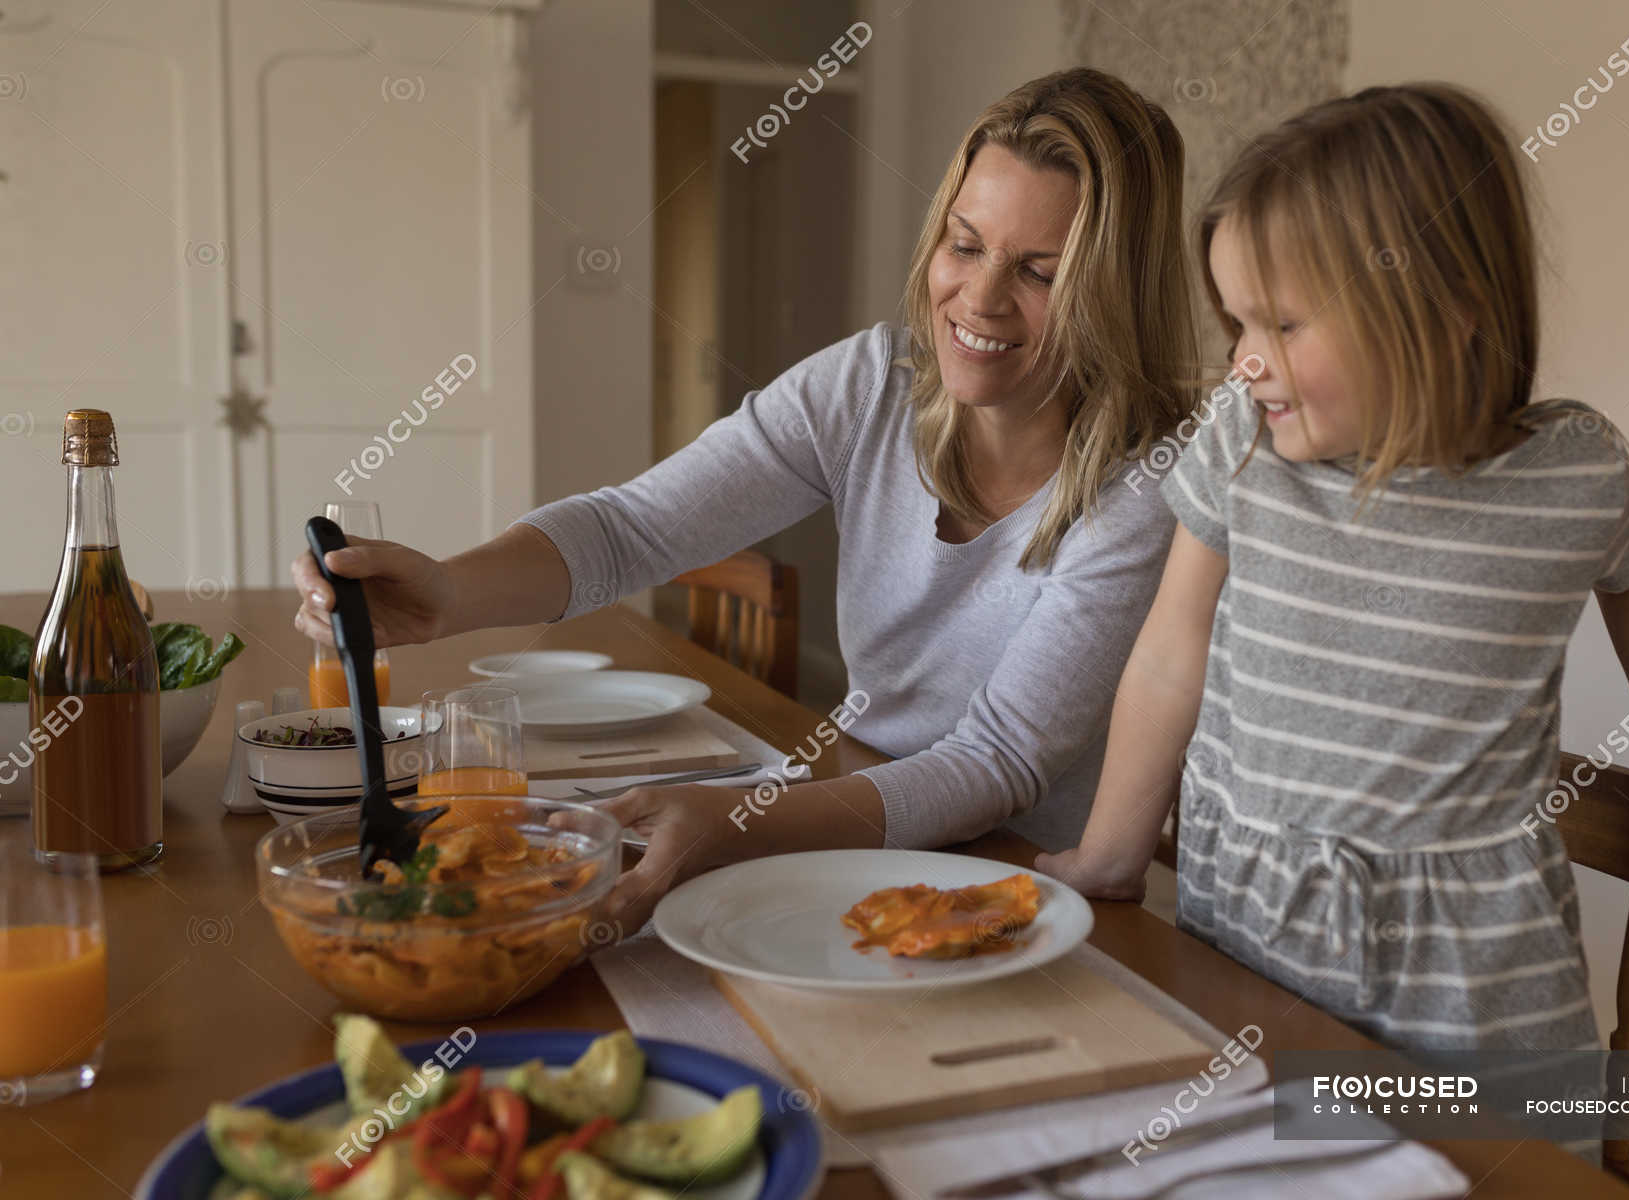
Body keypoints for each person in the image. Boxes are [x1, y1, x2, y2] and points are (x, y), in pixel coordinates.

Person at [293, 68, 1199, 934]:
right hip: (858, 833)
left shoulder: (1149, 487)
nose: (981, 297)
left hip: (1025, 889)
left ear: (1112, 291)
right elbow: (632, 528)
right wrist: (447, 594)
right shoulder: (872, 384)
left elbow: (997, 762)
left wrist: (736, 822)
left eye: (1039, 273)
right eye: (964, 245)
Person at [1035, 82, 1629, 1053]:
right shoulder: (1241, 447)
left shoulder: (1571, 477)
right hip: (1254, 948)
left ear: (1448, 314)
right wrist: (1113, 853)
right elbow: (1168, 656)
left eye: (1281, 325)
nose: (1243, 363)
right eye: (1236, 324)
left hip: (1476, 991)